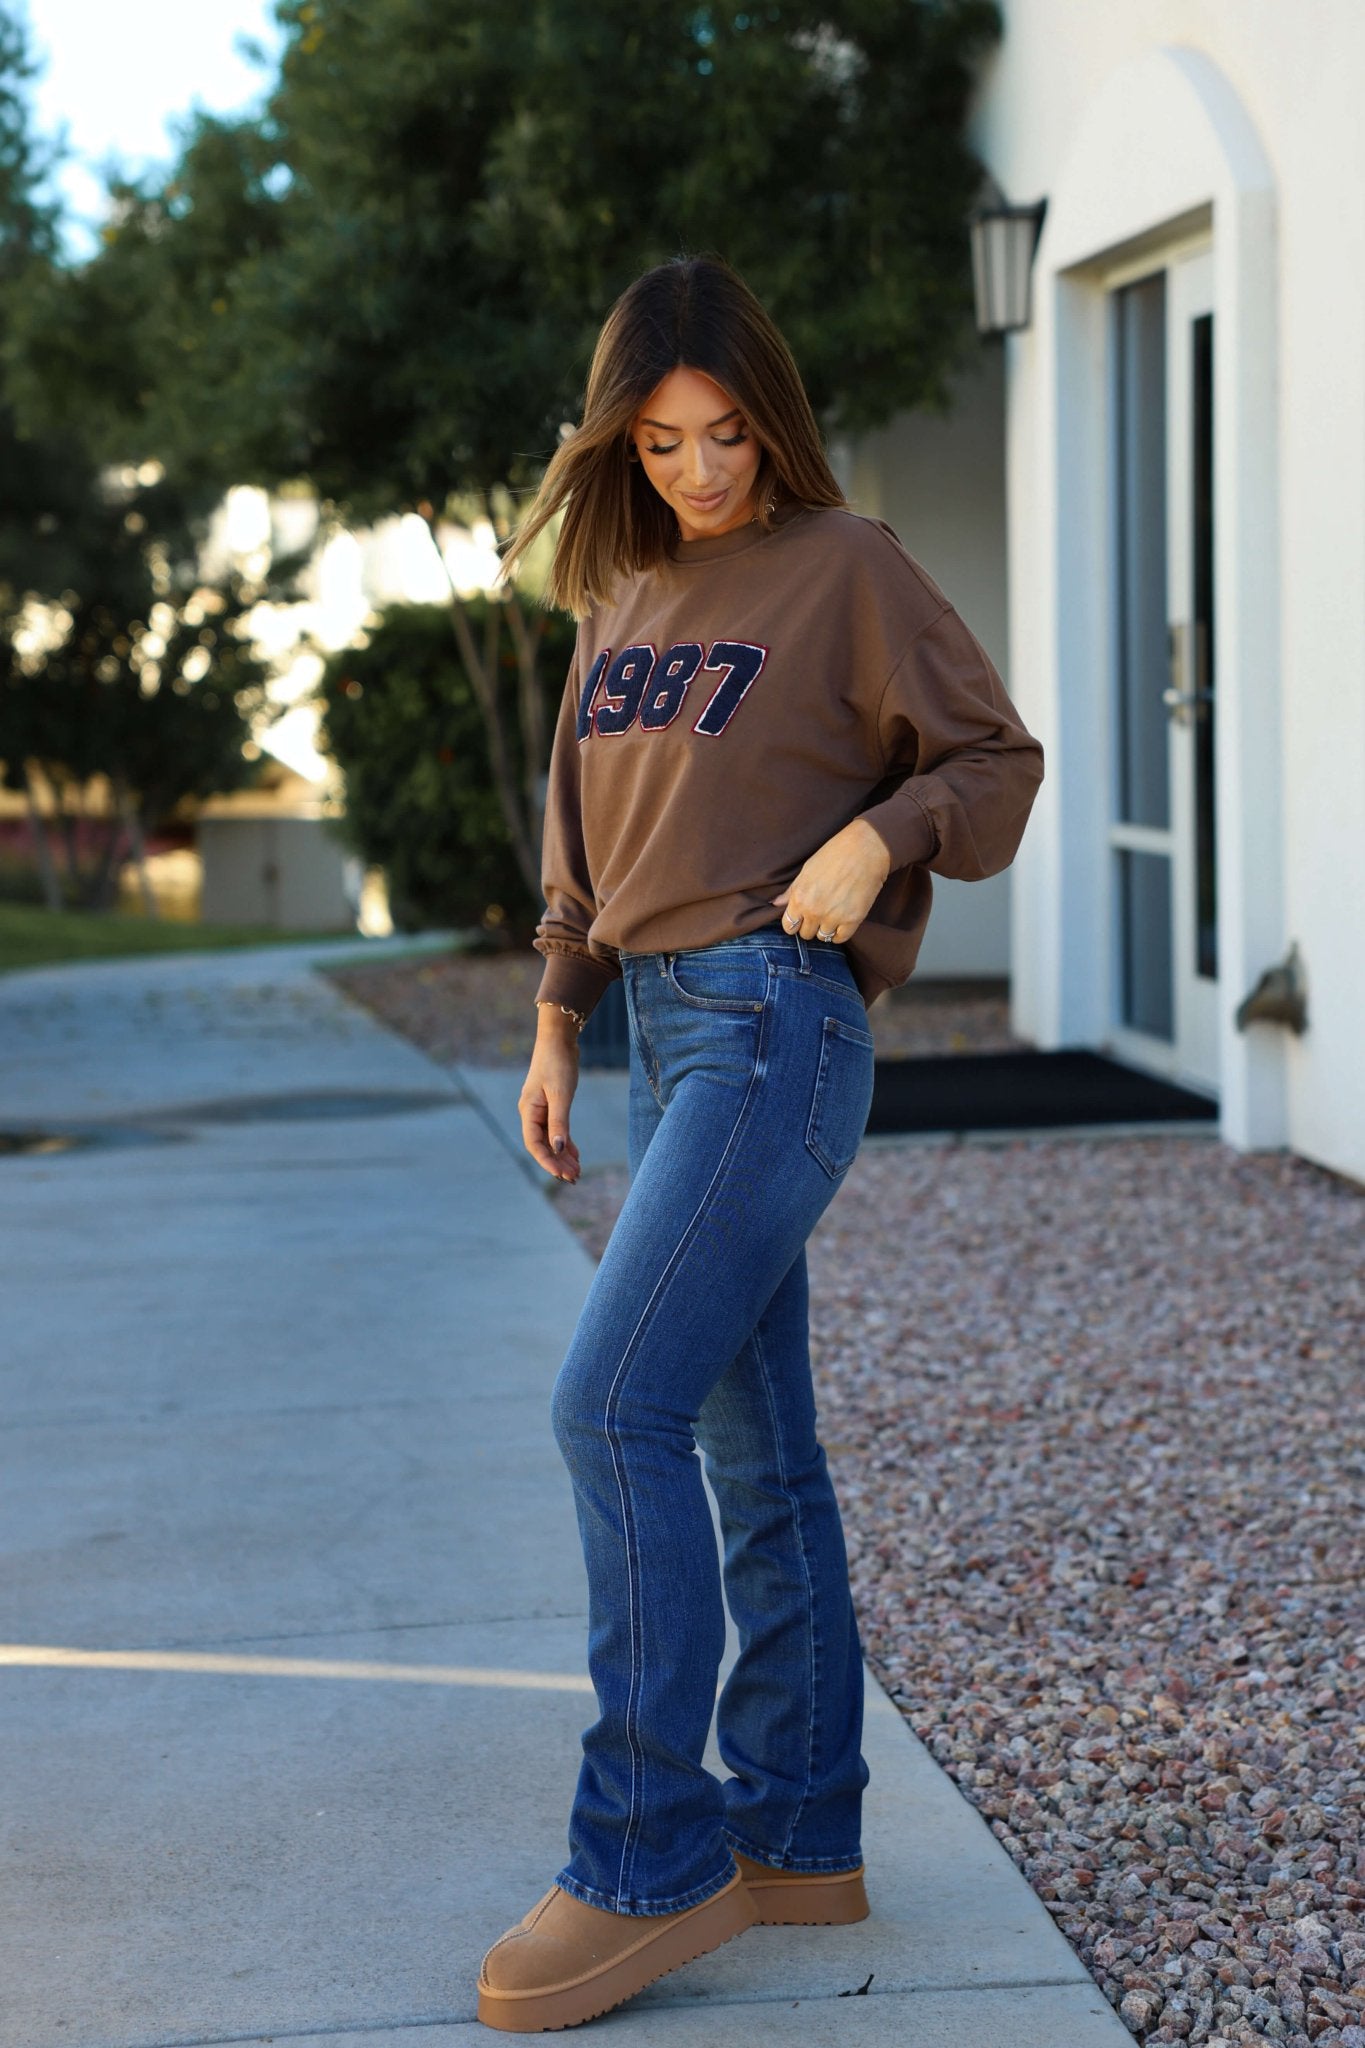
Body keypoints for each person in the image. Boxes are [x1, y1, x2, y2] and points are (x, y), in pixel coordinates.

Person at [476, 254, 1044, 2034]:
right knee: (750, 1436)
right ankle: (800, 1835)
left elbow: (993, 761)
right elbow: (585, 847)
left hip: (779, 1021)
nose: (700, 472)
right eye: (660, 443)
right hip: (658, 1034)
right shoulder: (620, 597)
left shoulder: (848, 566)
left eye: (726, 435)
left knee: (611, 1403)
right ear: (619, 446)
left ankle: (645, 1854)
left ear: (770, 421)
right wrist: (561, 1017)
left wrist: (882, 843)